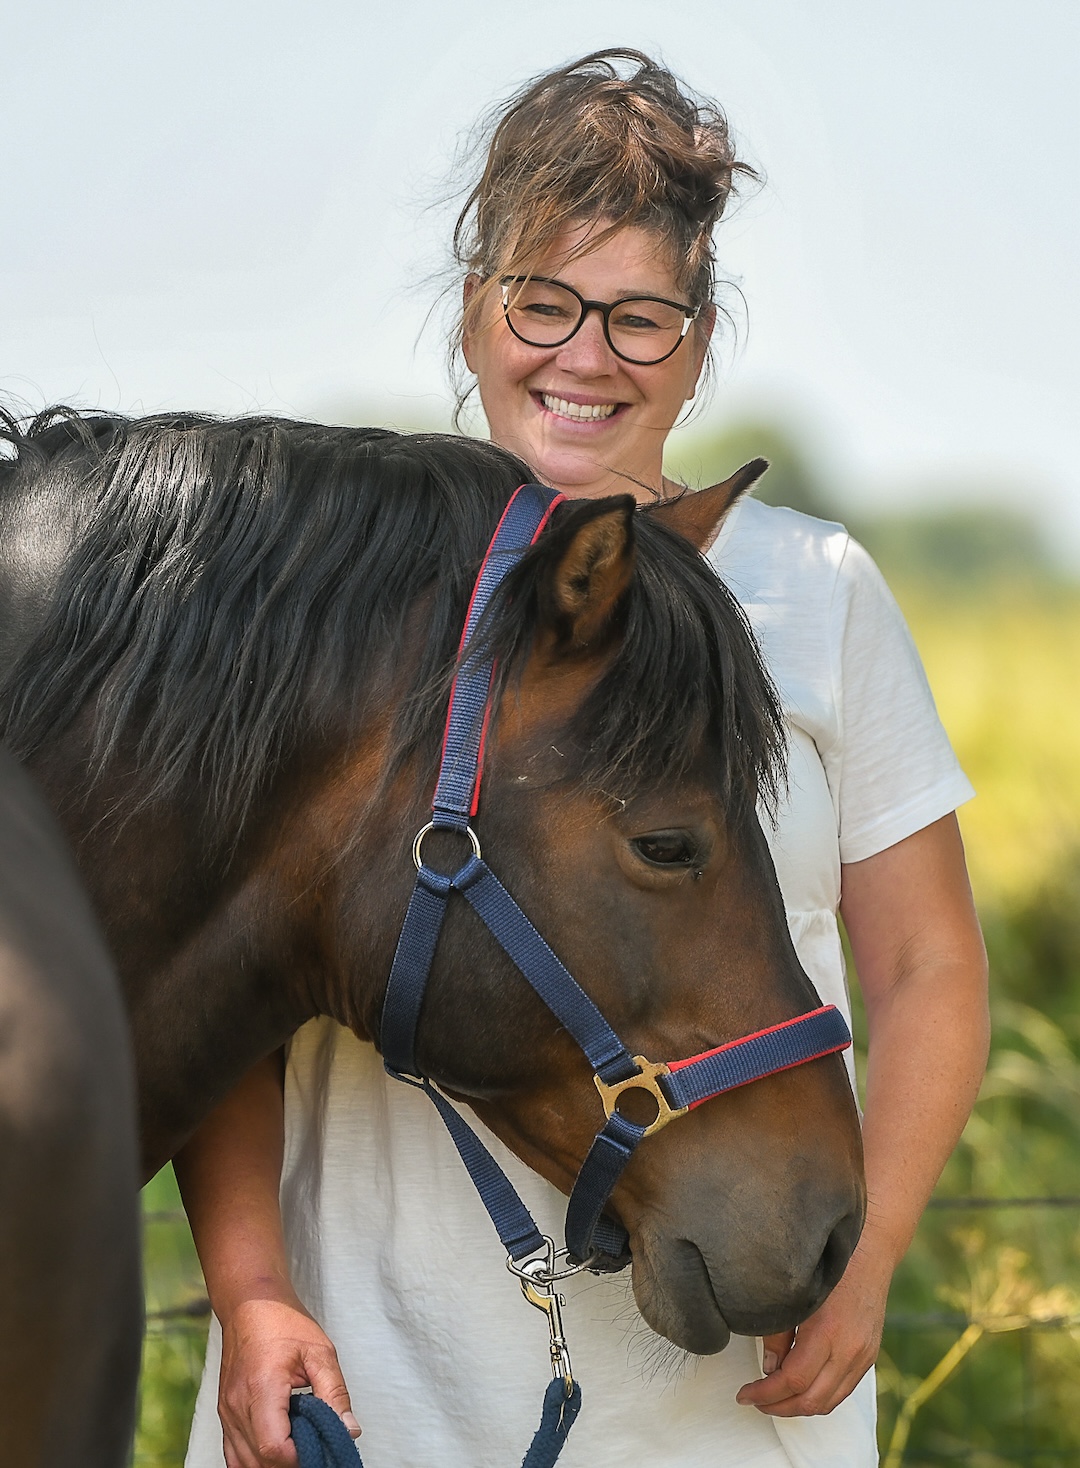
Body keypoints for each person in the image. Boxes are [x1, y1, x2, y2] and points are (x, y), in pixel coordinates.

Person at [178, 49, 990, 1468]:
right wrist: (252, 1296)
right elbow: (223, 988)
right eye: (541, 302)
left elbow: (929, 968)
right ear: (474, 308)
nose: (585, 355)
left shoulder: (818, 591)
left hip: (732, 1409)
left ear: (701, 336)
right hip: (371, 1394)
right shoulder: (333, 602)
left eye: (639, 317)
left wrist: (862, 1265)